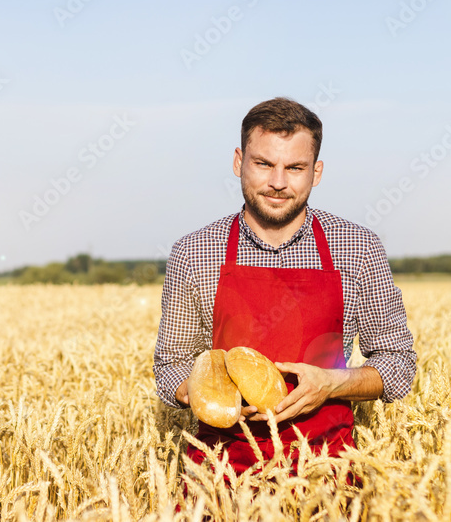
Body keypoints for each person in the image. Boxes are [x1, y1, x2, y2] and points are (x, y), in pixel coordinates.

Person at [152, 97, 417, 474]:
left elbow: (398, 364)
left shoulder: (358, 248)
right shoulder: (194, 252)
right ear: (238, 162)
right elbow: (172, 366)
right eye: (263, 164)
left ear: (317, 171)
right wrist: (203, 394)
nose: (278, 182)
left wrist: (332, 383)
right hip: (221, 477)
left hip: (327, 473)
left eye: (295, 167)